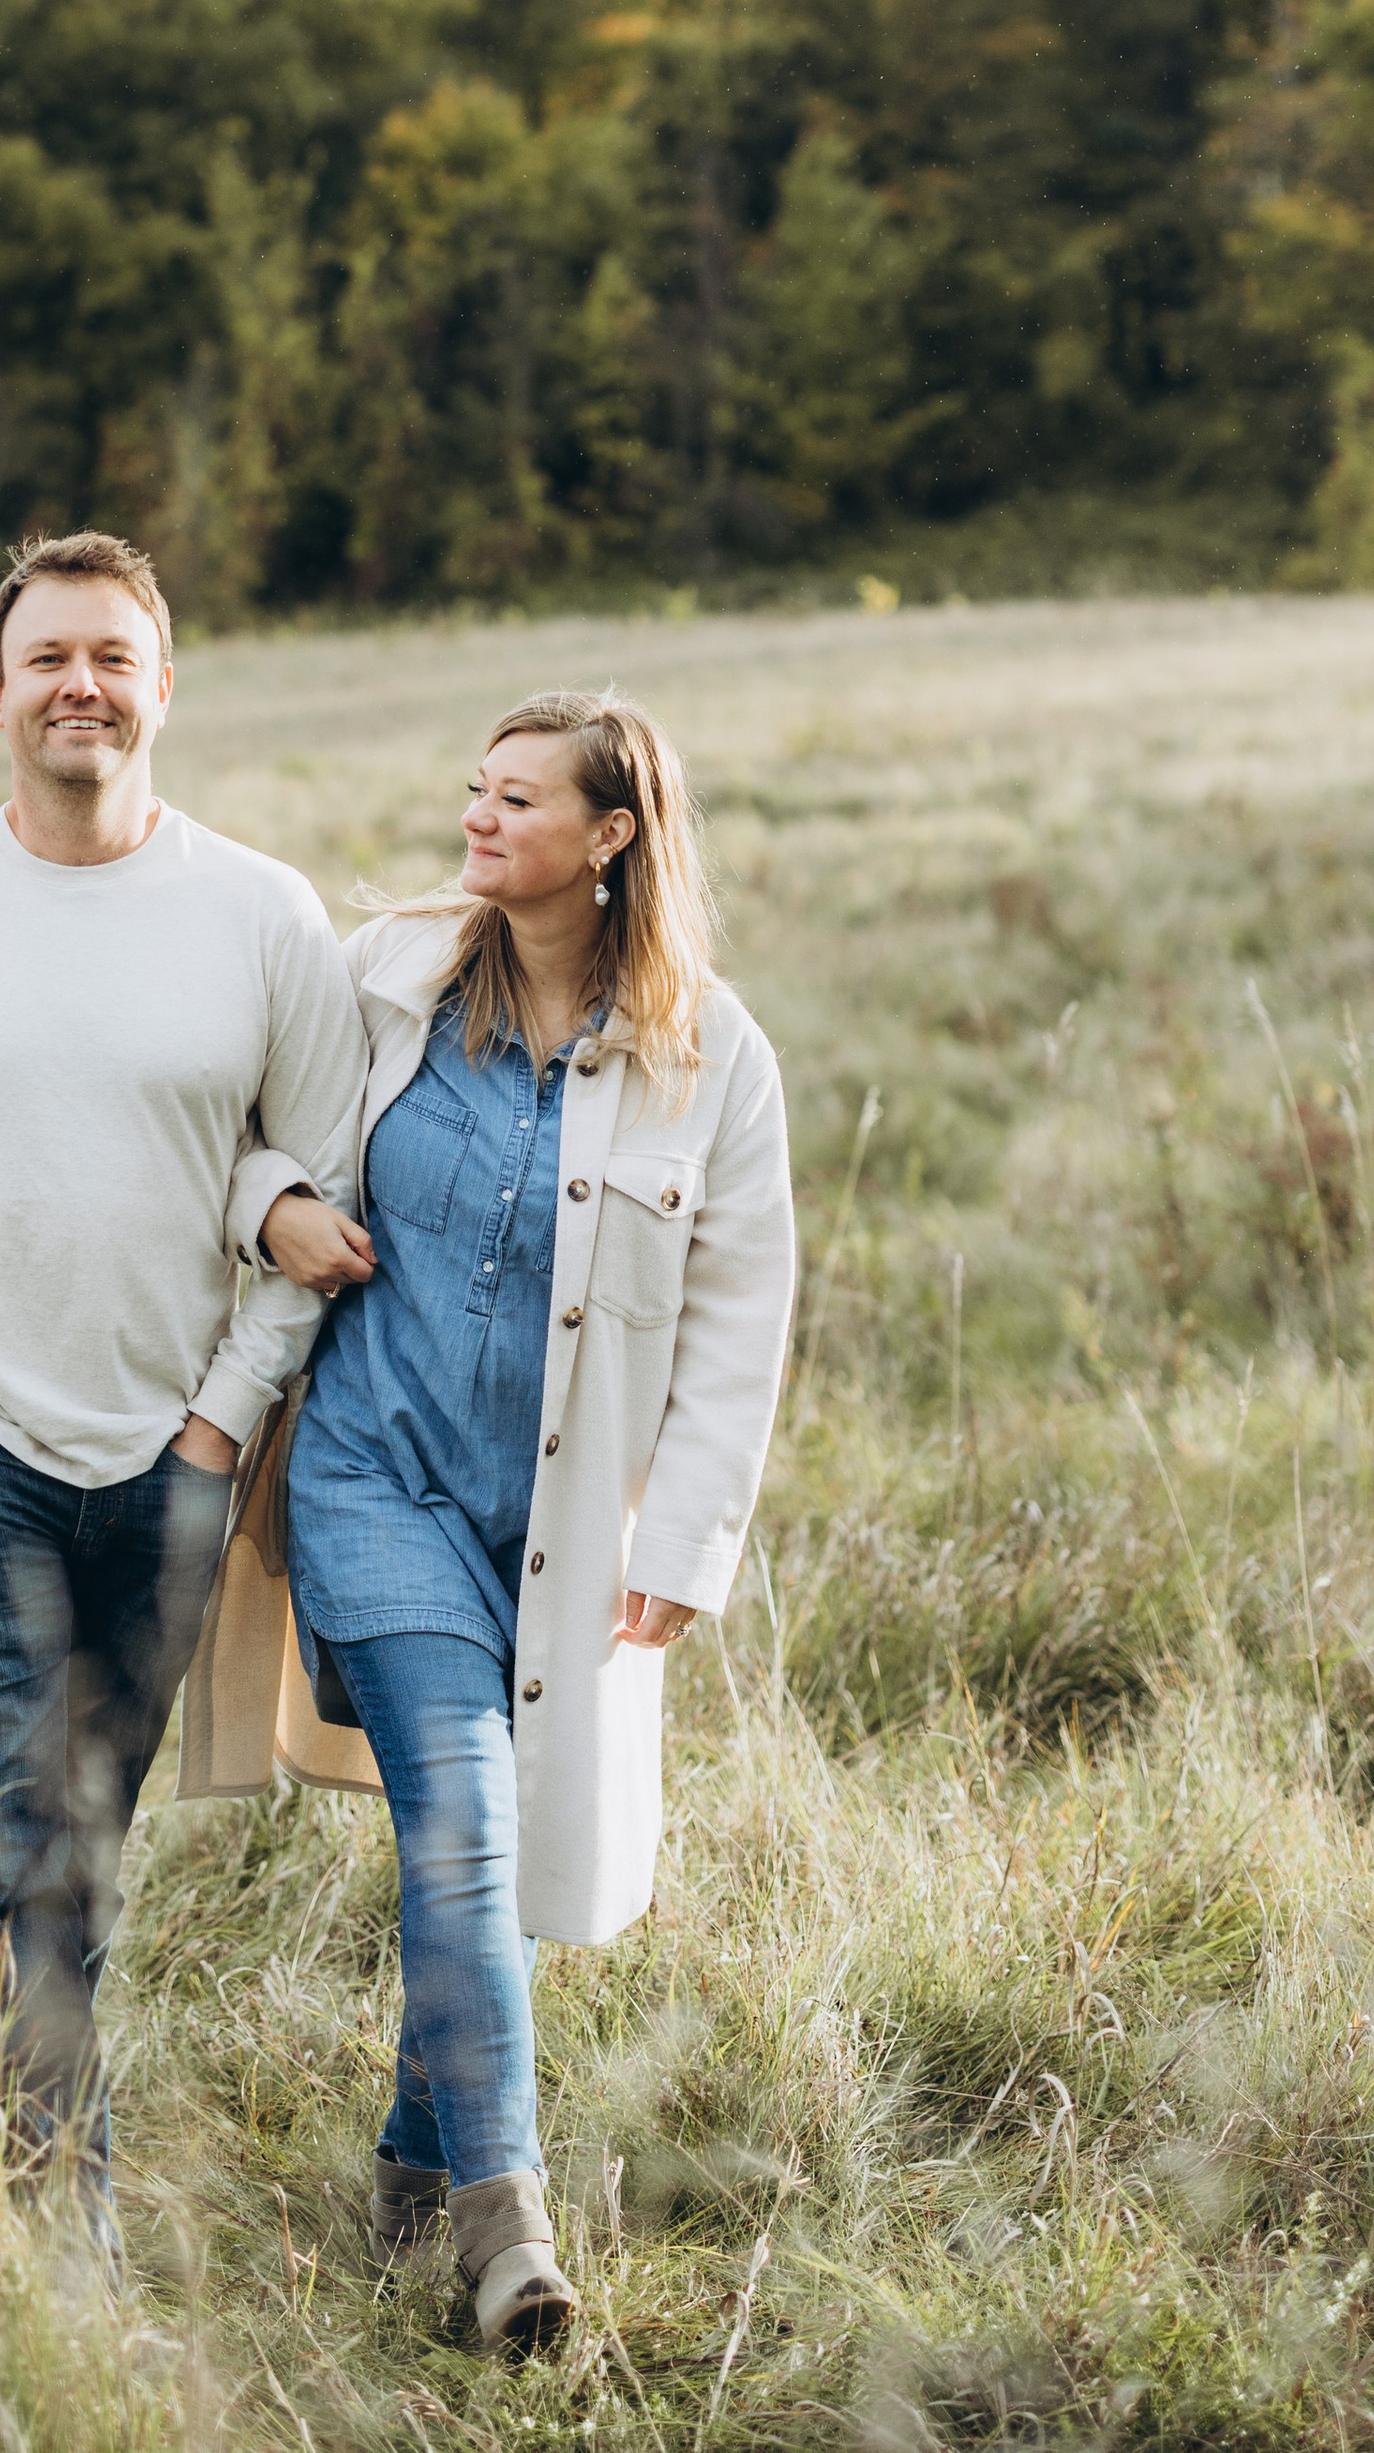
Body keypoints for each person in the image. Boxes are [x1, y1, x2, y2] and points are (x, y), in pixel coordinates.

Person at [182, 690, 795, 2357]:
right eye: (475, 790)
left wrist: (684, 1548)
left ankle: (407, 2154)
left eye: (518, 800)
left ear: (611, 838)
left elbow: (744, 1317)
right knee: (459, 1817)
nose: (479, 820)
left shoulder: (709, 1055)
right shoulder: (382, 981)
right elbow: (241, 1142)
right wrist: (282, 1209)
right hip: (375, 1476)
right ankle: (507, 2226)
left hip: (564, 1526)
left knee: (492, 1848)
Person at [0, 528, 370, 2231]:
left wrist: (216, 1423)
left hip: (176, 1461)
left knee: (77, 1838)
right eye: (48, 656)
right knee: (20, 1827)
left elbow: (318, 1198)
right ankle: (66, 2225)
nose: (81, 685)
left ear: (164, 688)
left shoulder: (266, 914)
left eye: (114, 655)